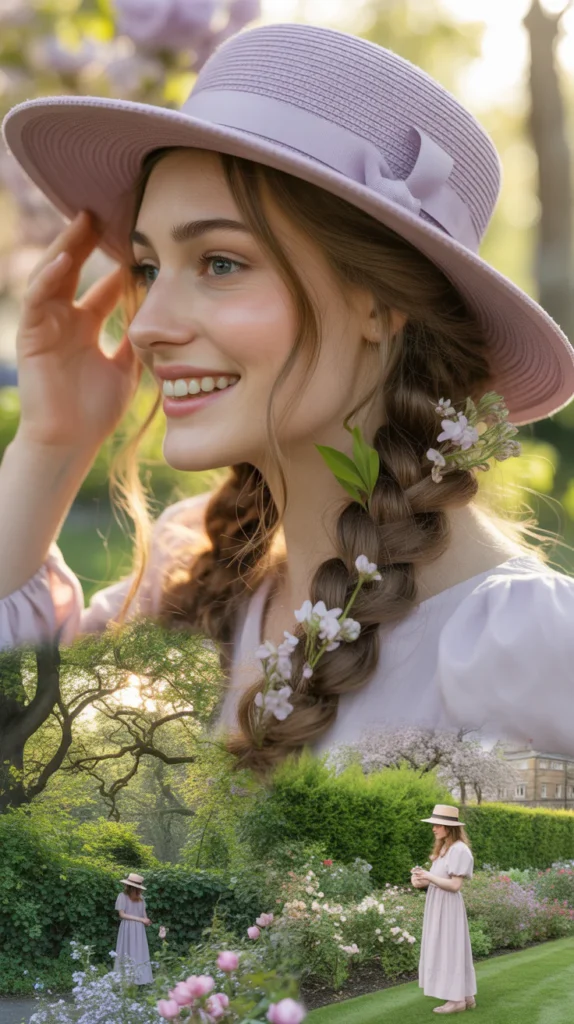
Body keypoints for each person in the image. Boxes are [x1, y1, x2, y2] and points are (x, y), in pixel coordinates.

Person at [1, 22, 574, 772]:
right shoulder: (191, 582)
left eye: (220, 262)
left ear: (380, 301)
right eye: (146, 268)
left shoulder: (528, 647)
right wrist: (53, 443)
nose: (145, 326)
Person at [413, 804, 476, 1014]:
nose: (434, 828)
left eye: (437, 825)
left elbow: (455, 886)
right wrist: (420, 879)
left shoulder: (459, 850)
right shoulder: (443, 850)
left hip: (448, 908)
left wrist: (429, 877)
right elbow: (438, 881)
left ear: (449, 827)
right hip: (438, 904)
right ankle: (466, 996)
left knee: (449, 949)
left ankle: (456, 1000)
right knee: (448, 948)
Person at [114, 872, 153, 985]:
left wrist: (146, 921)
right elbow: (122, 914)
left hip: (139, 929)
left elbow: (144, 914)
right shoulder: (122, 896)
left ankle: (139, 979)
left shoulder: (141, 898)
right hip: (127, 927)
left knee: (139, 951)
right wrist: (141, 920)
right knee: (127, 951)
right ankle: (126, 979)